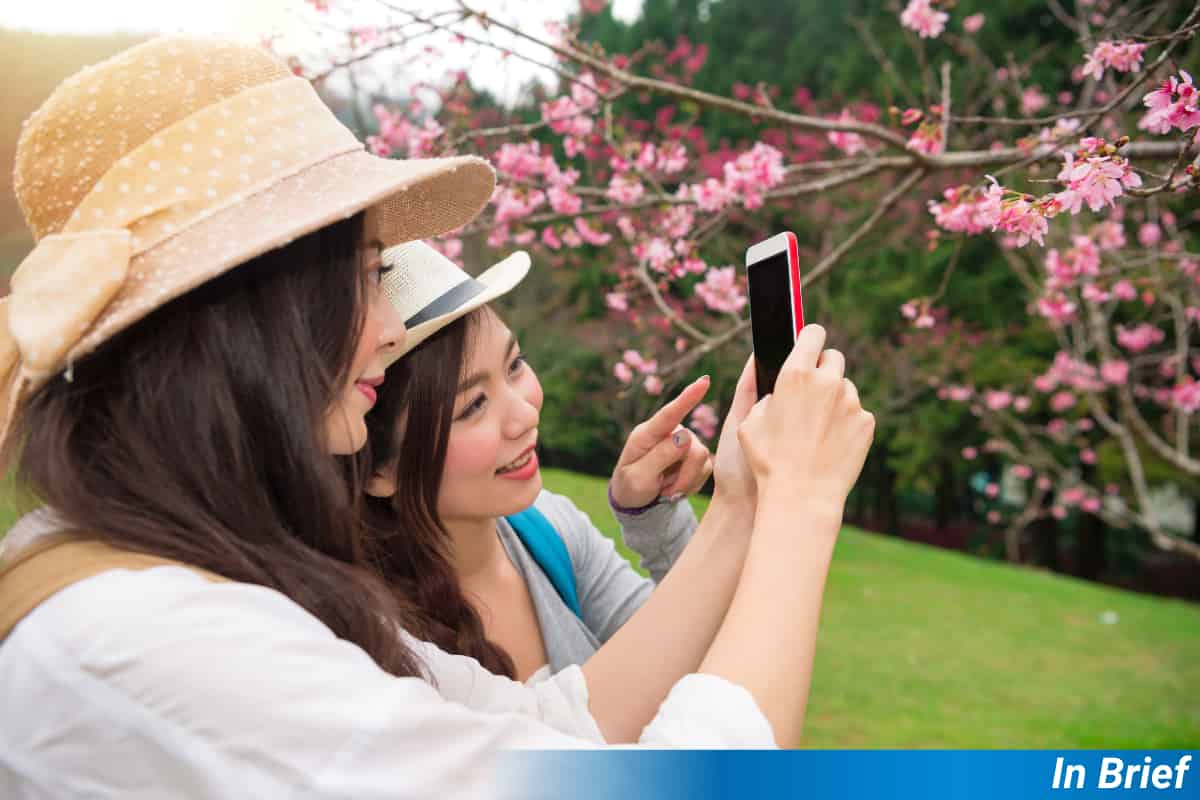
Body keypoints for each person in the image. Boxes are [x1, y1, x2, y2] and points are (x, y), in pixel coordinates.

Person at [0, 36, 876, 799]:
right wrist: (800, 501)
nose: (388, 331)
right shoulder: (159, 643)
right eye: (365, 277)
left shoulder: (192, 578)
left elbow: (554, 723)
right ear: (249, 323)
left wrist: (744, 499)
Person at [358, 240, 714, 681]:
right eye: (474, 405)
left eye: (515, 365)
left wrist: (652, 516)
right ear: (379, 470)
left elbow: (694, 667)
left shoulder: (548, 530)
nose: (525, 415)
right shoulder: (373, 649)